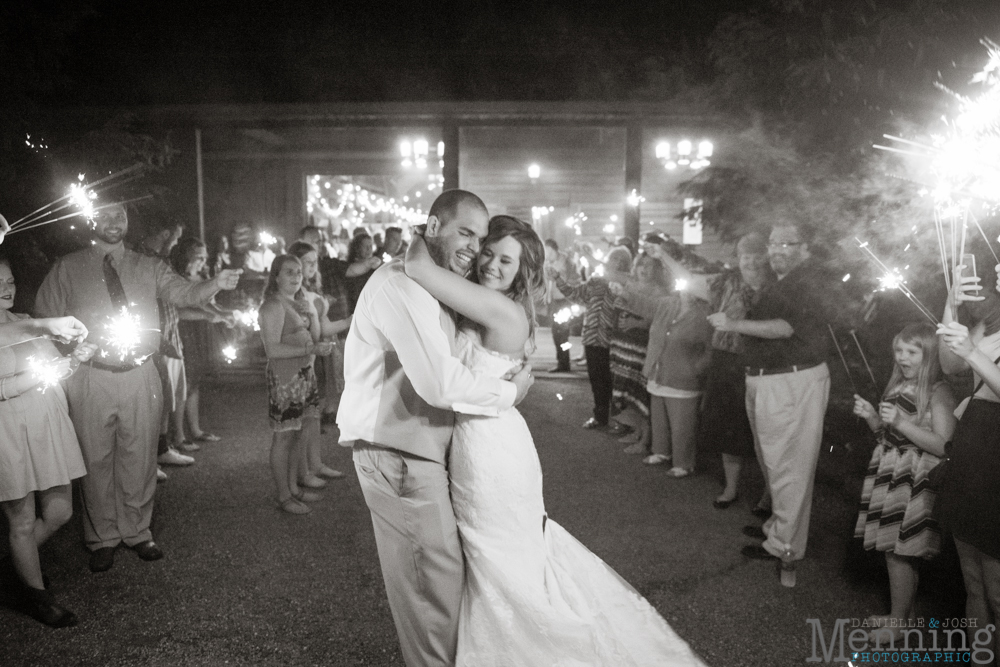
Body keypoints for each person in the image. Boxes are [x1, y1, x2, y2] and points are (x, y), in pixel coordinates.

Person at [403, 215, 708, 666]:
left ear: (522, 270)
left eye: (506, 260)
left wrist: (425, 231)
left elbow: (420, 269)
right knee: (499, 556)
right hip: (479, 442)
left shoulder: (501, 310)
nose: (490, 263)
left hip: (492, 453)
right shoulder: (486, 301)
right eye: (488, 252)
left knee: (503, 559)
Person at [338, 190, 533, 667]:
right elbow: (439, 382)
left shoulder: (435, 283)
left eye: (483, 240)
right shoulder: (402, 285)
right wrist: (510, 394)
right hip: (399, 451)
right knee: (434, 592)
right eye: (466, 233)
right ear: (431, 225)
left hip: (426, 450)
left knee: (445, 581)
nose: (476, 249)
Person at [34, 203, 242, 572]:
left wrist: (216, 284)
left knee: (141, 454)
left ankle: (137, 530)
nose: (114, 223)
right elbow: (44, 318)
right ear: (92, 219)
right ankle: (102, 537)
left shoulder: (147, 265)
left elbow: (183, 292)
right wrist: (66, 357)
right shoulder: (67, 267)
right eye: (106, 215)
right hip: (92, 374)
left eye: (121, 216)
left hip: (141, 372)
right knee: (96, 459)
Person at [709, 222, 831, 564]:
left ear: (805, 248)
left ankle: (785, 546)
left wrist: (733, 325)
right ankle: (779, 530)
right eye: (773, 244)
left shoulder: (805, 281)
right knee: (774, 462)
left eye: (786, 244)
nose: (776, 250)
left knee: (788, 465)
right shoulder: (786, 282)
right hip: (772, 381)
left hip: (790, 382)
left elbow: (784, 328)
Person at [0, 257, 98, 627]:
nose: (6, 288)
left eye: (9, 280)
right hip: (7, 432)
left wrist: (75, 360)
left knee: (60, 513)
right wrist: (33, 377)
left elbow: (53, 373)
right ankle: (37, 596)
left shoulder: (22, 318)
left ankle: (14, 568)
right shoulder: (23, 326)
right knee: (21, 522)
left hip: (47, 426)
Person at [852, 323, 956, 639]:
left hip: (915, 479)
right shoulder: (899, 386)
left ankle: (900, 624)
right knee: (894, 548)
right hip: (891, 474)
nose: (903, 357)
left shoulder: (939, 390)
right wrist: (872, 417)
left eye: (912, 351)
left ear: (931, 355)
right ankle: (903, 616)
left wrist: (900, 421)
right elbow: (888, 435)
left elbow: (943, 444)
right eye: (899, 350)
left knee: (901, 551)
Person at [936, 264, 1000, 662]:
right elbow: (949, 364)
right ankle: (982, 660)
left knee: (997, 587)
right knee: (974, 582)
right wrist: (951, 304)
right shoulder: (992, 325)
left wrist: (972, 352)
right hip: (976, 440)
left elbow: (971, 358)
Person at [699, 233, 774, 510]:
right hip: (724, 360)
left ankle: (769, 495)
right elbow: (699, 287)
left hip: (755, 362)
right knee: (728, 427)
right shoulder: (726, 282)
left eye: (756, 256)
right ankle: (731, 488)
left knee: (762, 430)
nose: (751, 262)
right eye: (745, 256)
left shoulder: (774, 287)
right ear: (738, 258)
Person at [614, 272, 715, 477]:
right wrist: (624, 292)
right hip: (659, 371)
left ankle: (684, 462)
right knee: (659, 417)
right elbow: (646, 304)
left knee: (682, 425)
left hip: (684, 377)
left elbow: (710, 349)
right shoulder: (668, 304)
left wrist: (696, 369)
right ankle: (661, 451)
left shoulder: (705, 315)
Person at [259, 255, 336, 515]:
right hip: (286, 379)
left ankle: (293, 488)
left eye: (299, 272)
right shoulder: (273, 306)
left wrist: (312, 317)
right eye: (289, 272)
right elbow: (272, 349)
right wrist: (311, 347)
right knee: (284, 437)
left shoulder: (296, 303)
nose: (296, 277)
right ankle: (283, 495)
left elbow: (313, 335)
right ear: (276, 276)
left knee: (297, 435)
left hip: (303, 375)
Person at [287, 241, 351, 477]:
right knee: (301, 422)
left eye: (316, 261)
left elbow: (323, 327)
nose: (314, 266)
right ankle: (300, 475)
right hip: (295, 364)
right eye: (308, 262)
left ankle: (315, 465)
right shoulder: (292, 295)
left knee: (313, 418)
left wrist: (350, 321)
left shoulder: (312, 293)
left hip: (311, 362)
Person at [556, 246, 632, 429]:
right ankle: (600, 416)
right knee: (596, 379)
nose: (614, 264)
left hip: (613, 340)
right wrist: (557, 279)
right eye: (613, 259)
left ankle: (620, 419)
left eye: (619, 261)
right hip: (592, 337)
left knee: (615, 382)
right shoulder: (595, 282)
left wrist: (588, 256)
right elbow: (575, 294)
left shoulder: (627, 284)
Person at [171, 238, 234, 446]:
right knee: (184, 382)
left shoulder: (204, 277)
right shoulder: (177, 279)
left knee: (195, 380)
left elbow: (208, 304)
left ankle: (196, 429)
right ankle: (179, 436)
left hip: (201, 333)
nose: (202, 261)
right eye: (198, 256)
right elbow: (179, 310)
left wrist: (225, 315)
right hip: (185, 332)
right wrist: (207, 316)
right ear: (186, 256)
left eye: (204, 257)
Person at [610, 251, 670, 453]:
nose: (645, 269)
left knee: (641, 391)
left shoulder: (660, 291)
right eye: (641, 265)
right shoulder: (629, 285)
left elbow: (659, 316)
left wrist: (639, 322)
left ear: (656, 269)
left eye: (650, 265)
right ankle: (636, 431)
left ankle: (645, 440)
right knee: (627, 390)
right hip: (622, 345)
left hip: (641, 347)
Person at [344, 232, 382, 313]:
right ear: (357, 248)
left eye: (370, 246)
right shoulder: (350, 268)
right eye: (365, 246)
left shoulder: (374, 269)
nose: (369, 249)